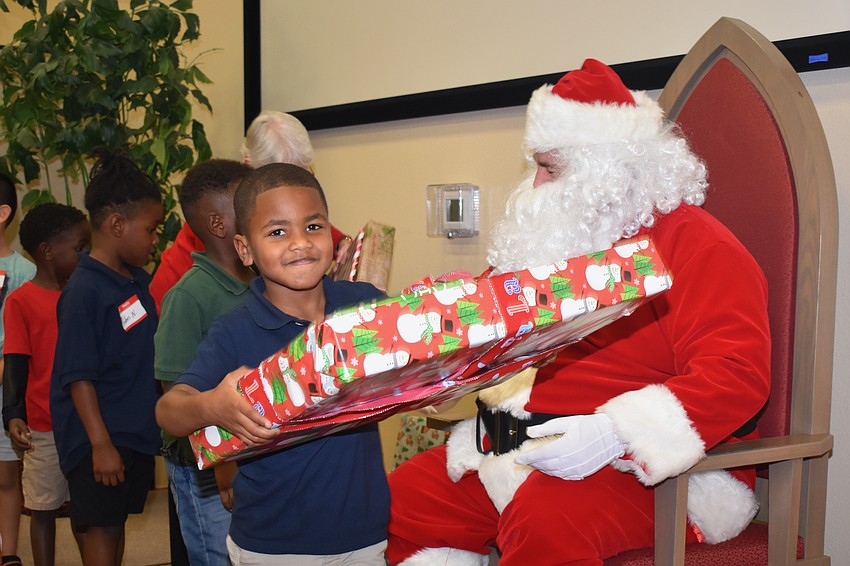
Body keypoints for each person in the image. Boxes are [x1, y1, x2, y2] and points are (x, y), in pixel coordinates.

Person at [385, 59, 771, 565]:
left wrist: (613, 435)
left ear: (608, 169)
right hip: (517, 446)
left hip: (654, 472)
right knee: (408, 495)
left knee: (546, 519)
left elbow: (736, 376)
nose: (536, 184)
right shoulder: (547, 235)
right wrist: (442, 333)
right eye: (537, 166)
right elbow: (489, 340)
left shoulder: (699, 248)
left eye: (552, 168)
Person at [156, 163, 389, 565]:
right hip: (274, 542)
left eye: (313, 226)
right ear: (245, 249)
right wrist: (212, 406)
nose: (300, 243)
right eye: (278, 232)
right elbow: (168, 411)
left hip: (364, 532)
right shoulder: (235, 330)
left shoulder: (363, 304)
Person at [50, 151, 164, 566]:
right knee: (101, 527)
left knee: (114, 524)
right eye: (150, 229)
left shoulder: (133, 281)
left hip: (129, 430)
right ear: (117, 225)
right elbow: (77, 375)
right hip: (97, 438)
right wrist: (100, 444)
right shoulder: (84, 290)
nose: (155, 239)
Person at [149, 111, 351, 312]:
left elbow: (296, 221)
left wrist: (340, 242)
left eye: (301, 175)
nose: (290, 191)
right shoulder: (223, 218)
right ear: (248, 166)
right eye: (277, 180)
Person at [154, 159, 253, 566]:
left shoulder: (263, 282)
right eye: (248, 202)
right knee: (217, 556)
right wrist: (222, 460)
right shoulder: (188, 297)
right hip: (206, 467)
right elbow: (176, 397)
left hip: (252, 453)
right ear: (218, 223)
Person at [3, 203, 91, 566]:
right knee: (42, 508)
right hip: (43, 425)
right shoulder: (20, 301)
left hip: (85, 423)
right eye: (80, 247)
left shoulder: (84, 293)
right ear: (48, 251)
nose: (87, 254)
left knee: (85, 509)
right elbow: (15, 361)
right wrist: (13, 414)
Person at [0, 173, 36, 566]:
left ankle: (7, 552)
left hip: (4, 392)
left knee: (7, 478)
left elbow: (21, 346)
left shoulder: (22, 272)